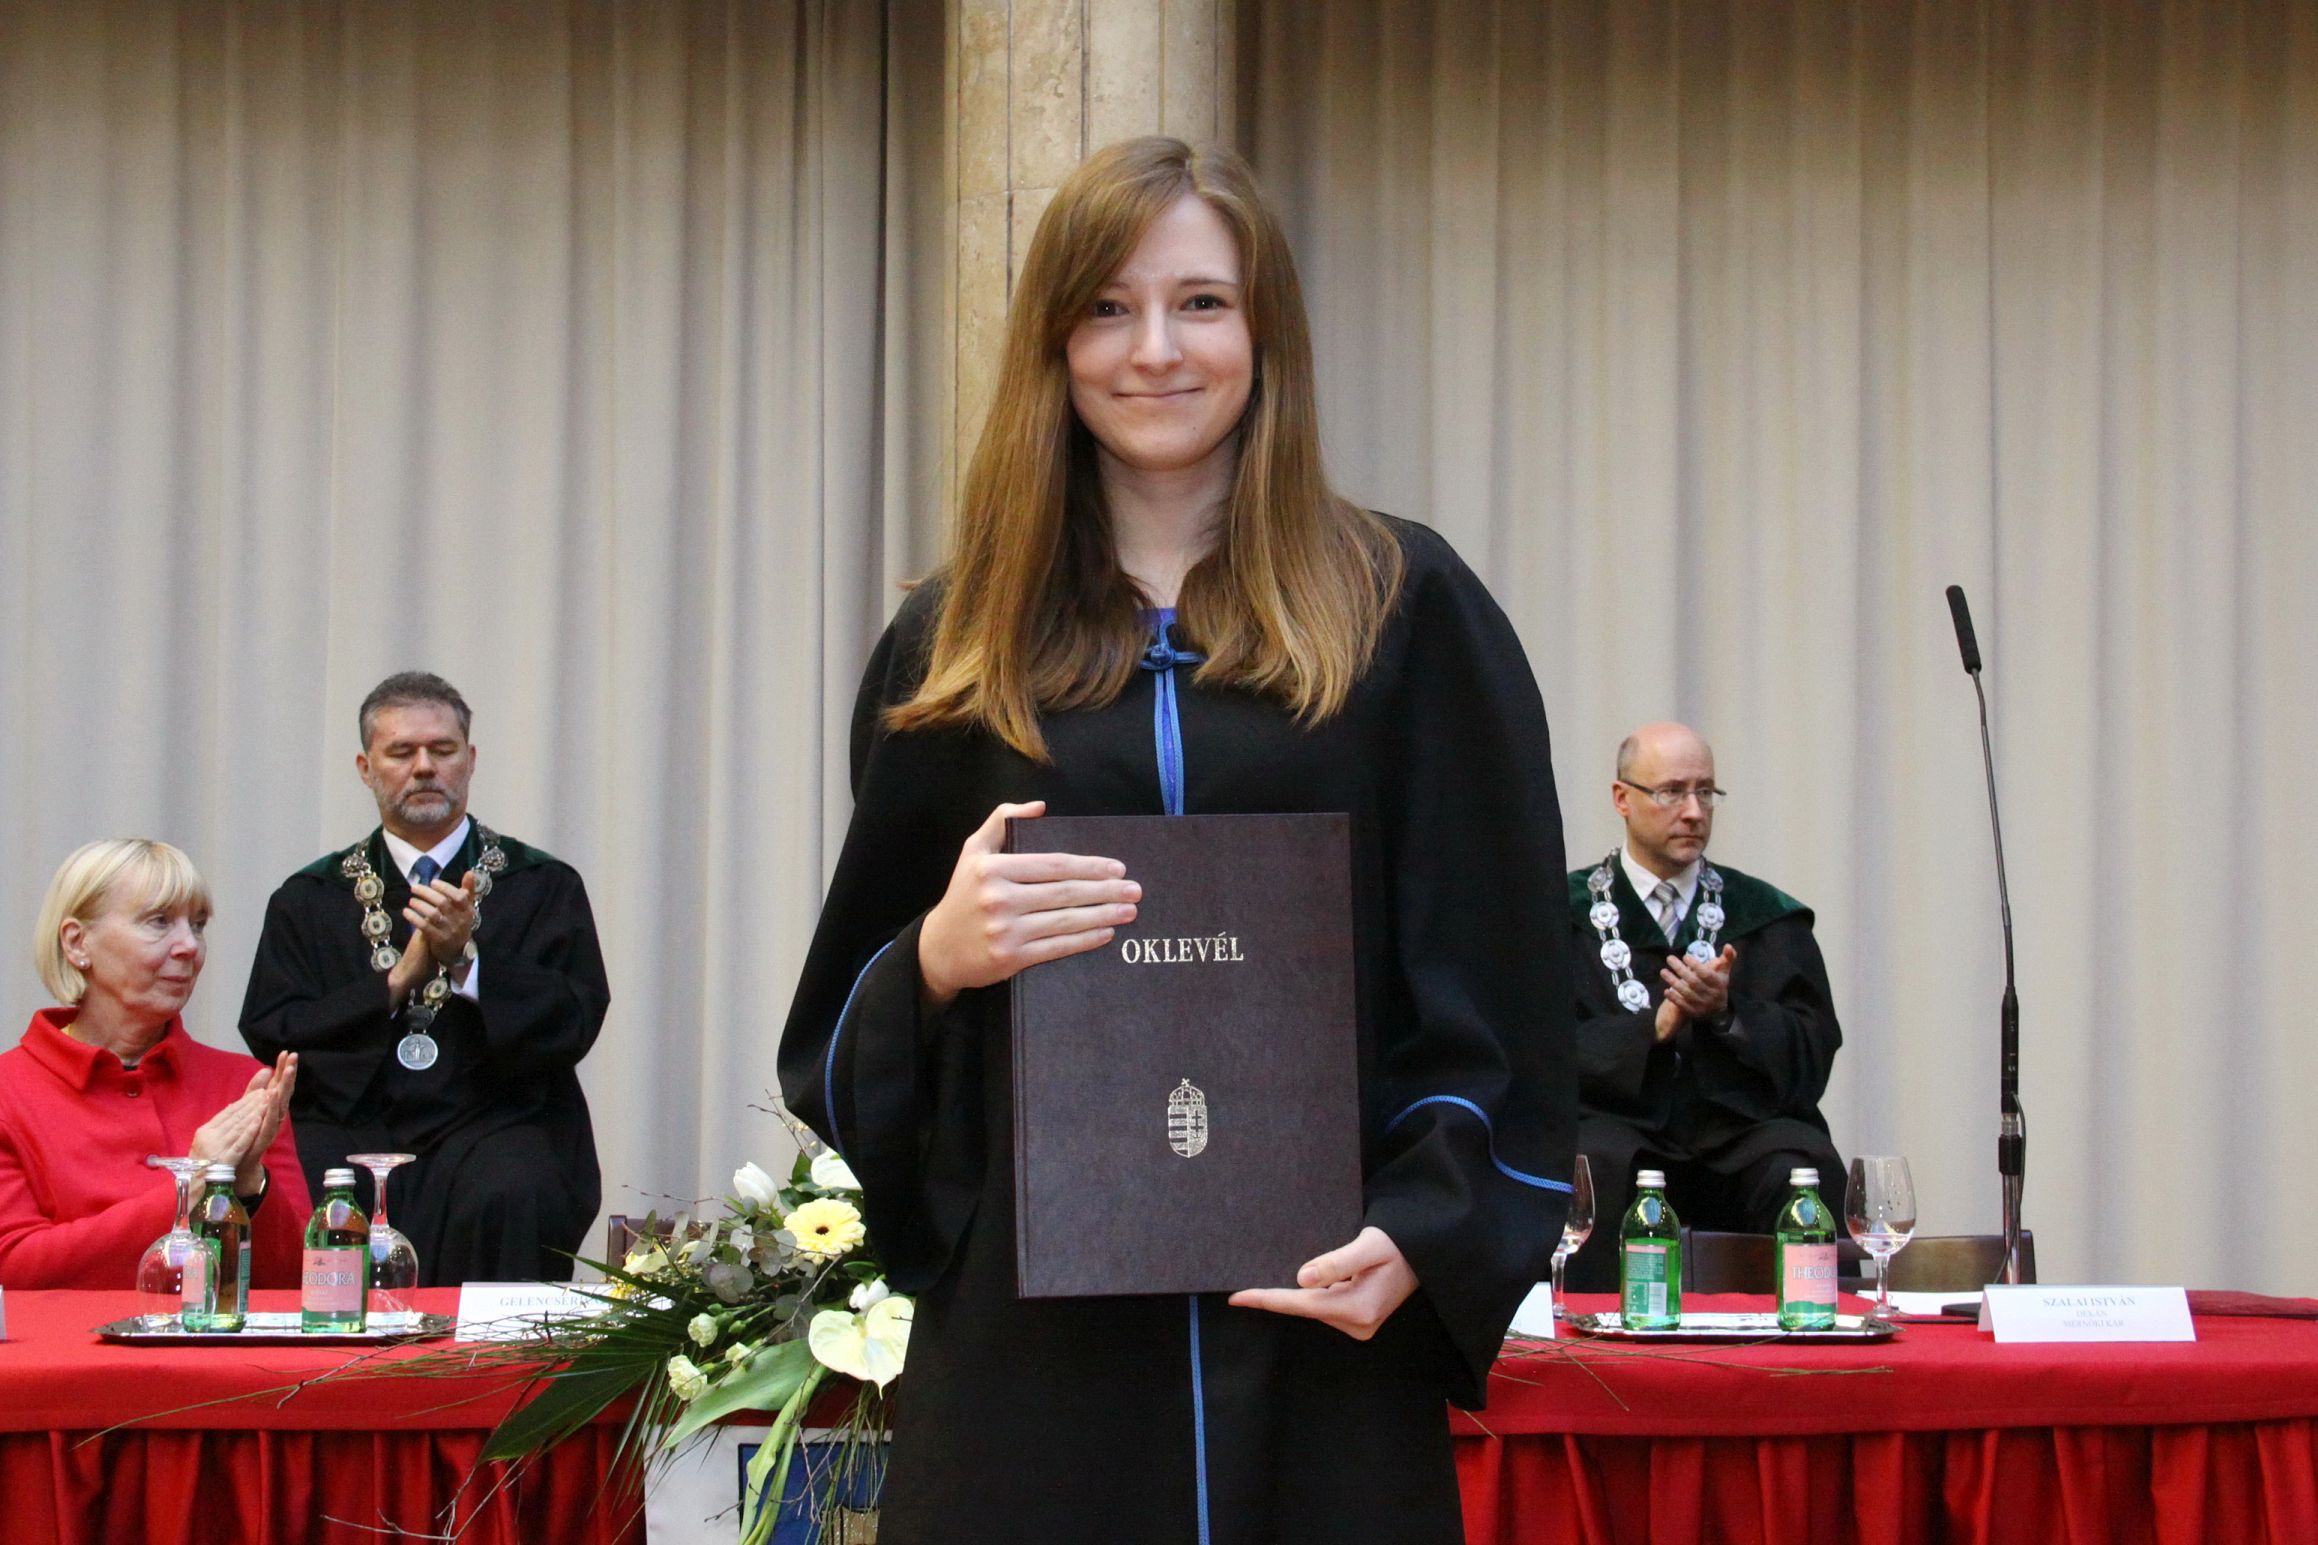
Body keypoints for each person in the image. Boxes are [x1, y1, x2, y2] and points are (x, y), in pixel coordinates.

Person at [778, 138, 1574, 1545]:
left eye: (1201, 302)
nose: (1154, 349)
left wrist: (1426, 1229)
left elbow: (1497, 978)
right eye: (1106, 307)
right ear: (1053, 343)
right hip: (1037, 1355)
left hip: (1317, 1326)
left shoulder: (1402, 608)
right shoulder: (957, 639)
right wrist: (938, 959)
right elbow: (842, 1030)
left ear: (1265, 332)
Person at [240, 672, 608, 1284]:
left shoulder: (542, 885)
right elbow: (273, 1030)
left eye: (442, 750)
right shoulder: (308, 898)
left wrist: (467, 962)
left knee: (516, 1184)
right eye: (401, 752)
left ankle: (493, 1354)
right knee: (308, 1188)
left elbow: (574, 1019)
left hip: (495, 1120)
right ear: (366, 768)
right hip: (351, 1123)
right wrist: (392, 984)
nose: (424, 768)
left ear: (471, 760)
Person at [1563, 721, 1844, 1291]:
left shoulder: (1765, 917)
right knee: (1589, 1164)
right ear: (1622, 798)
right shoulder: (1559, 916)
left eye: (1705, 792)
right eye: (1671, 792)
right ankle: (1590, 1341)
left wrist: (1728, 1015)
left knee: (1801, 1170)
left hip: (1738, 1131)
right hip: (1619, 1126)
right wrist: (1652, 1029)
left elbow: (1811, 1049)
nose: (1693, 812)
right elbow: (1533, 1048)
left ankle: (1805, 1337)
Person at [0, 840, 309, 1289]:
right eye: (159, 921)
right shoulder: (9, 1090)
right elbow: (12, 1270)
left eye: (198, 925)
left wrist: (248, 1185)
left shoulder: (244, 1084)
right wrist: (194, 1184)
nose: (189, 946)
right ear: (77, 942)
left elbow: (298, 1282)